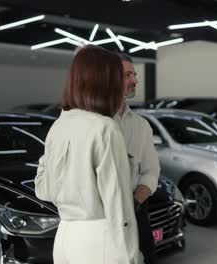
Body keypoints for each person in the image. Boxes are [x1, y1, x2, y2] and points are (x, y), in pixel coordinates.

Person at [35, 45, 142, 264]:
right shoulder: (105, 128)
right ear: (106, 83)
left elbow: (42, 189)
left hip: (64, 236)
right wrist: (132, 257)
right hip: (99, 239)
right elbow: (119, 207)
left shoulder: (59, 125)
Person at [115, 53, 161, 264]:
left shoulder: (141, 125)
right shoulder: (95, 122)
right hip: (105, 218)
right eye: (127, 75)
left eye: (134, 74)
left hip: (137, 212)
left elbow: (151, 170)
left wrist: (135, 200)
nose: (135, 80)